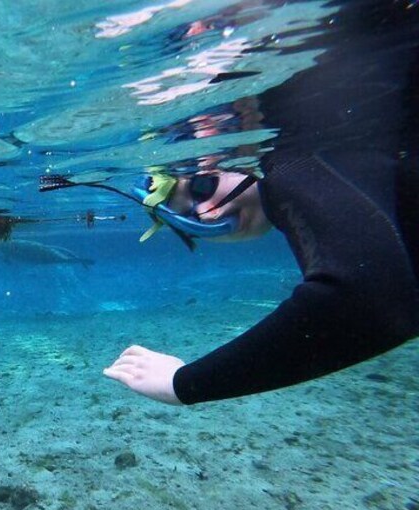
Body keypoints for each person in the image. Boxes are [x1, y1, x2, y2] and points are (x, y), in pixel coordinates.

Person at [102, 0, 419, 405]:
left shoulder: (288, 165)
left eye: (200, 187)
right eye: (187, 219)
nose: (208, 213)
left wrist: (182, 383)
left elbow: (372, 301)